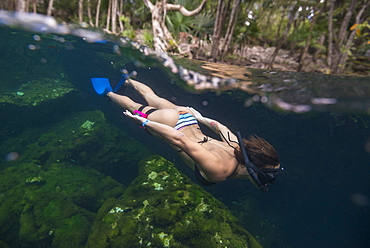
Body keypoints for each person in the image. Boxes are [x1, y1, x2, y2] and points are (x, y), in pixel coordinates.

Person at [91, 73, 282, 191]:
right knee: (135, 107)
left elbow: (220, 127)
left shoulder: (237, 148)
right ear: (255, 170)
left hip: (187, 117)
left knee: (153, 97)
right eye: (269, 175)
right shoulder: (220, 170)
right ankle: (108, 92)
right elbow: (181, 140)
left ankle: (129, 80)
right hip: (172, 125)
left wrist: (199, 117)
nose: (270, 179)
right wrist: (145, 122)